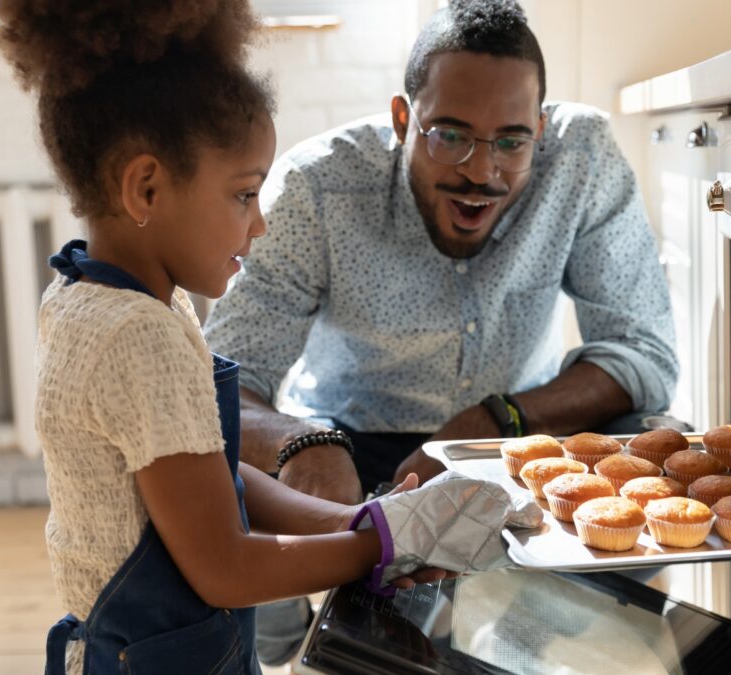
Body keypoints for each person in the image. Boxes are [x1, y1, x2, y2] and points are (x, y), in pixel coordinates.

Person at [0, 1, 532, 672]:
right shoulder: (138, 336)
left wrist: (351, 522)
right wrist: (389, 542)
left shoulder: (95, 294)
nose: (260, 225)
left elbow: (200, 468)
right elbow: (224, 566)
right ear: (147, 187)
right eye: (245, 195)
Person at [204, 0, 678, 505]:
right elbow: (219, 381)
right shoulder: (317, 188)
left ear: (539, 130)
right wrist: (301, 444)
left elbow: (643, 353)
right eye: (450, 136)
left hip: (518, 432)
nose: (480, 171)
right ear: (403, 120)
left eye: (511, 142)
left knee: (658, 444)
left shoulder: (581, 158)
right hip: (347, 442)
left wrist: (493, 418)